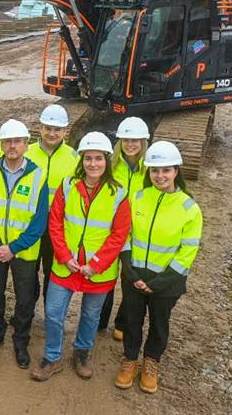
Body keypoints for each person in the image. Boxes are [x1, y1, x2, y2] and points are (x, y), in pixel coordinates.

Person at [32, 132, 130, 382]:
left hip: (99, 271)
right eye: (88, 158)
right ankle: (52, 357)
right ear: (81, 160)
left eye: (98, 158)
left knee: (90, 315)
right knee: (53, 312)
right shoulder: (67, 186)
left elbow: (119, 235)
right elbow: (55, 223)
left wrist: (96, 265)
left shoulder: (118, 193)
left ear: (107, 161)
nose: (93, 164)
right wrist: (64, 256)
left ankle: (82, 353)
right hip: (66, 266)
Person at [114, 141, 202, 394]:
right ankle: (130, 359)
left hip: (166, 283)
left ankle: (151, 361)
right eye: (154, 170)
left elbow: (188, 251)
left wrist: (159, 282)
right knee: (132, 321)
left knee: (159, 323)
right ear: (148, 171)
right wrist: (129, 271)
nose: (160, 176)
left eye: (166, 170)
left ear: (176, 171)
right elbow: (126, 235)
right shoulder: (139, 197)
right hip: (134, 276)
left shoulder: (189, 208)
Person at [0, 119, 48, 370]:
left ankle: (21, 341)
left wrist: (13, 248)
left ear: (26, 144)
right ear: (2, 145)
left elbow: (39, 222)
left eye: (17, 141)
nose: (12, 146)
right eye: (7, 141)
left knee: (25, 298)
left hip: (24, 252)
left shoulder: (38, 175)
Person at [99, 116, 150, 338]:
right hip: (110, 231)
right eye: (126, 140)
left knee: (130, 278)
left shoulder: (149, 169)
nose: (131, 144)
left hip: (136, 233)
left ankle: (121, 322)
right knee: (106, 276)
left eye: (135, 140)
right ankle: (100, 320)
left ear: (143, 142)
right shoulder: (111, 166)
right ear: (120, 142)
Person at [25, 104, 79, 303]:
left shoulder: (74, 158)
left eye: (57, 129)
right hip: (30, 224)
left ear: (65, 130)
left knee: (52, 271)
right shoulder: (27, 153)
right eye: (48, 128)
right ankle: (27, 310)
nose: (52, 133)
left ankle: (49, 310)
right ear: (40, 128)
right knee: (29, 271)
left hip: (58, 227)